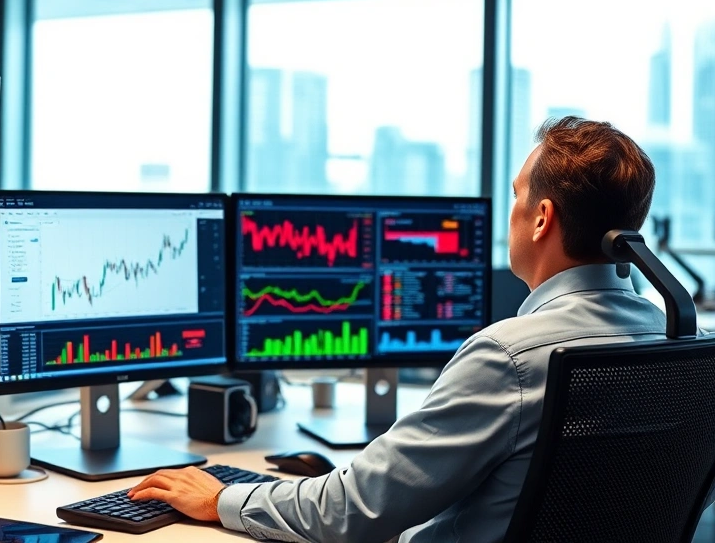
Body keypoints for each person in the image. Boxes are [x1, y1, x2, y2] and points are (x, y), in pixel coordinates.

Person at [128, 116, 675, 542]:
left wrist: (221, 498)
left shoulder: (509, 359)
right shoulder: (676, 345)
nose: (513, 210)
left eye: (517, 194)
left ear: (541, 218)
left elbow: (352, 511)